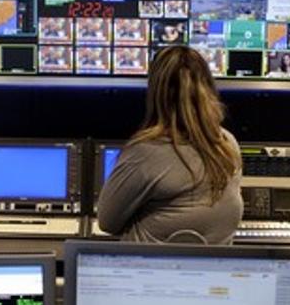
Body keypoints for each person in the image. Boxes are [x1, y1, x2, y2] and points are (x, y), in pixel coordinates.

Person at [98, 45, 242, 243]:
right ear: (209, 86)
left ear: (156, 92)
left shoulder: (145, 152)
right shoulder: (228, 144)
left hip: (150, 271)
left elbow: (107, 222)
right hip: (215, 271)